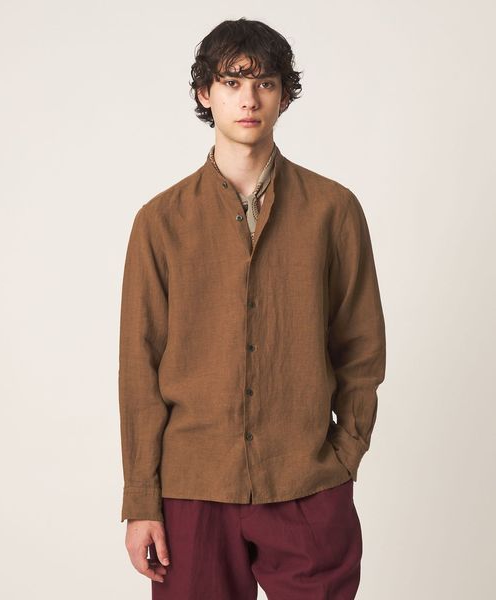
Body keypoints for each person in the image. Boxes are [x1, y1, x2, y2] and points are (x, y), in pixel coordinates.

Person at [118, 17, 386, 600]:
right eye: (232, 82)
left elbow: (362, 346)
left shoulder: (333, 210)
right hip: (193, 487)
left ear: (284, 96)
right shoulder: (160, 223)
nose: (248, 99)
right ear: (204, 93)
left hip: (306, 478)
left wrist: (344, 456)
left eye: (265, 83)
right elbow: (140, 369)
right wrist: (141, 500)